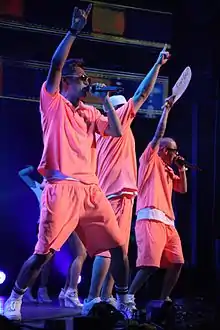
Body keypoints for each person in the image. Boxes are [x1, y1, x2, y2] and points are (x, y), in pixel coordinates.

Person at [4, 4, 133, 321]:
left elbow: (116, 131)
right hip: (61, 188)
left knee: (118, 246)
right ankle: (15, 299)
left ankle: (126, 300)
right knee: (44, 253)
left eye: (87, 78)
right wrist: (74, 30)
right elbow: (56, 64)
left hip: (91, 190)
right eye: (82, 78)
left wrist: (106, 103)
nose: (87, 82)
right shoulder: (53, 102)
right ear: (66, 83)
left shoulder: (91, 112)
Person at [82, 46, 170, 315]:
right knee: (110, 251)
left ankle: (105, 298)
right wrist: (157, 64)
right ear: (120, 110)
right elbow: (143, 93)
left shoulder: (101, 131)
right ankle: (93, 298)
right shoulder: (117, 118)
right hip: (116, 193)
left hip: (114, 192)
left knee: (118, 250)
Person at [128, 96, 187, 308]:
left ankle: (163, 299)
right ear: (163, 150)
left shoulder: (170, 169)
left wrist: (181, 168)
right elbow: (157, 135)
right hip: (150, 218)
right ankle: (128, 297)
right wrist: (167, 110)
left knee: (178, 262)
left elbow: (182, 189)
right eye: (174, 151)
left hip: (168, 223)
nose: (176, 154)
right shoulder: (149, 160)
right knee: (149, 265)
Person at [18, 166, 52, 304]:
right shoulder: (39, 187)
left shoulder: (57, 189)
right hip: (42, 226)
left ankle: (42, 290)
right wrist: (32, 168)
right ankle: (27, 289)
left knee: (48, 263)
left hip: (54, 226)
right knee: (40, 260)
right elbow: (22, 173)